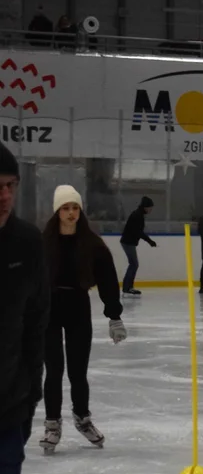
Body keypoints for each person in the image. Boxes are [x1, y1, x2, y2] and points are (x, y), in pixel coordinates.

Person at [0, 143, 49, 474]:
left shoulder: (25, 243)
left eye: (10, 185)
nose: (5, 195)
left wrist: (27, 399)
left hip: (5, 416)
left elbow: (37, 323)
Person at [39, 185, 127, 455]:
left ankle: (82, 418)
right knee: (53, 371)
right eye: (65, 208)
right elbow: (28, 281)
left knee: (78, 371)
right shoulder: (43, 243)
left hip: (77, 305)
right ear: (57, 211)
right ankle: (52, 424)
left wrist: (114, 316)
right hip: (49, 309)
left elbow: (108, 280)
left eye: (75, 207)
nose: (71, 213)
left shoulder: (92, 243)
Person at [120, 196, 156, 296]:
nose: (150, 210)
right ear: (145, 207)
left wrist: (149, 241)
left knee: (133, 264)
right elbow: (139, 232)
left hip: (128, 242)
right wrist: (150, 241)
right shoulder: (138, 215)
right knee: (134, 264)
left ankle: (127, 287)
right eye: (150, 207)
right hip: (128, 242)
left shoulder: (139, 214)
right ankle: (127, 288)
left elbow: (138, 231)